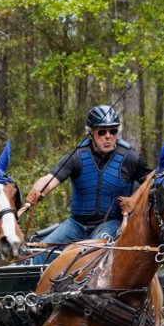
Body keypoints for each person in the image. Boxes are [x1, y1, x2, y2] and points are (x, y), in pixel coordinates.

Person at [26, 105, 153, 253]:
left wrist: (133, 201)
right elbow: (52, 178)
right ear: (91, 132)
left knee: (88, 252)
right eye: (102, 132)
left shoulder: (130, 157)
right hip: (76, 224)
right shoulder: (77, 156)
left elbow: (153, 181)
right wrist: (37, 190)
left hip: (111, 224)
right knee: (39, 253)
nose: (108, 136)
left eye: (113, 131)